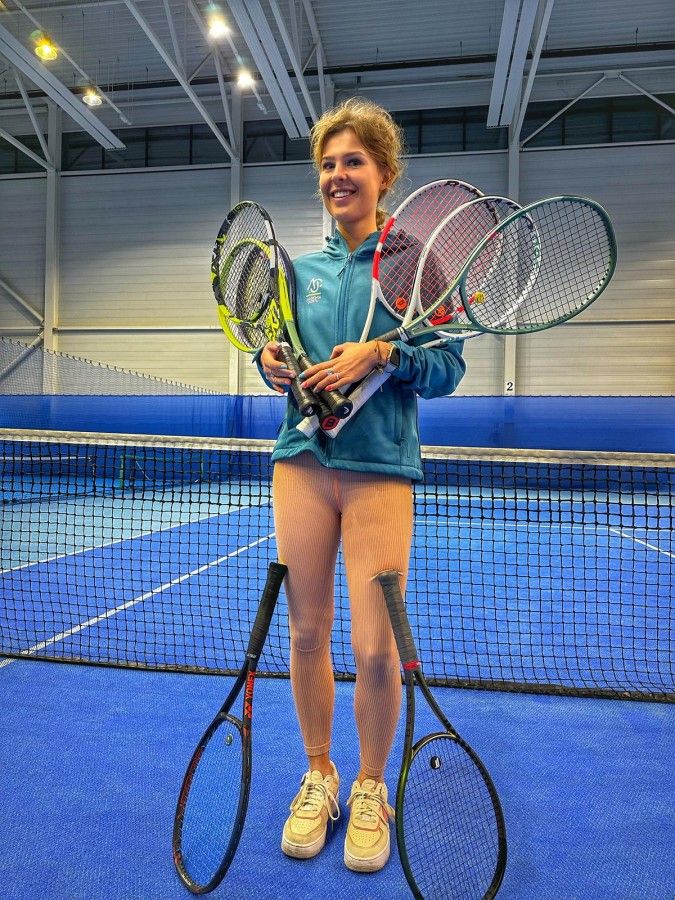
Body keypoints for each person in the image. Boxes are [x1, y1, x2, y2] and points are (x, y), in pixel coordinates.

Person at [257, 97, 466, 874]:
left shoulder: (413, 265)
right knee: (306, 633)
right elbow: (279, 357)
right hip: (301, 465)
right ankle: (319, 774)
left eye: (353, 161)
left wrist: (381, 353)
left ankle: (371, 785)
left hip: (380, 471)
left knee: (375, 649)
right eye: (327, 163)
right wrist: (271, 366)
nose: (337, 175)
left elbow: (446, 369)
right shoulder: (297, 274)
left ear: (384, 173)